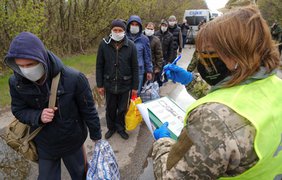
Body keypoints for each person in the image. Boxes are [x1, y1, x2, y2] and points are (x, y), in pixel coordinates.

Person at [152, 6, 282, 179]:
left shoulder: (212, 119)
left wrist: (163, 143)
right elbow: (235, 101)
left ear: (236, 53)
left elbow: (170, 176)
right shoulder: (275, 85)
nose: (202, 59)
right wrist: (191, 81)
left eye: (209, 53)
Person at [4, 32, 102, 179]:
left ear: (41, 58)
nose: (26, 70)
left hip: (72, 142)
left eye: (30, 64)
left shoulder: (73, 78)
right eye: (20, 66)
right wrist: (38, 116)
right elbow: (18, 110)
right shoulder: (16, 82)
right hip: (45, 145)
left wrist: (97, 137)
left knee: (81, 175)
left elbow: (88, 111)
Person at [96, 19, 139, 140]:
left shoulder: (130, 45)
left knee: (122, 109)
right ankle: (111, 128)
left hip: (125, 84)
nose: (117, 32)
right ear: (111, 30)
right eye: (115, 30)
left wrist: (135, 87)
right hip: (109, 83)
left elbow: (135, 67)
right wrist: (100, 85)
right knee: (110, 108)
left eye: (120, 30)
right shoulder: (104, 44)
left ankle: (120, 127)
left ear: (124, 31)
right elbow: (99, 65)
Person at [126, 15, 153, 94]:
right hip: (125, 71)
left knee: (135, 93)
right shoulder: (124, 38)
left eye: (136, 25)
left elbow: (147, 56)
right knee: (125, 95)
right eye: (132, 24)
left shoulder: (144, 39)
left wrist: (149, 71)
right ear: (129, 26)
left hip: (139, 71)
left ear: (140, 26)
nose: (134, 26)